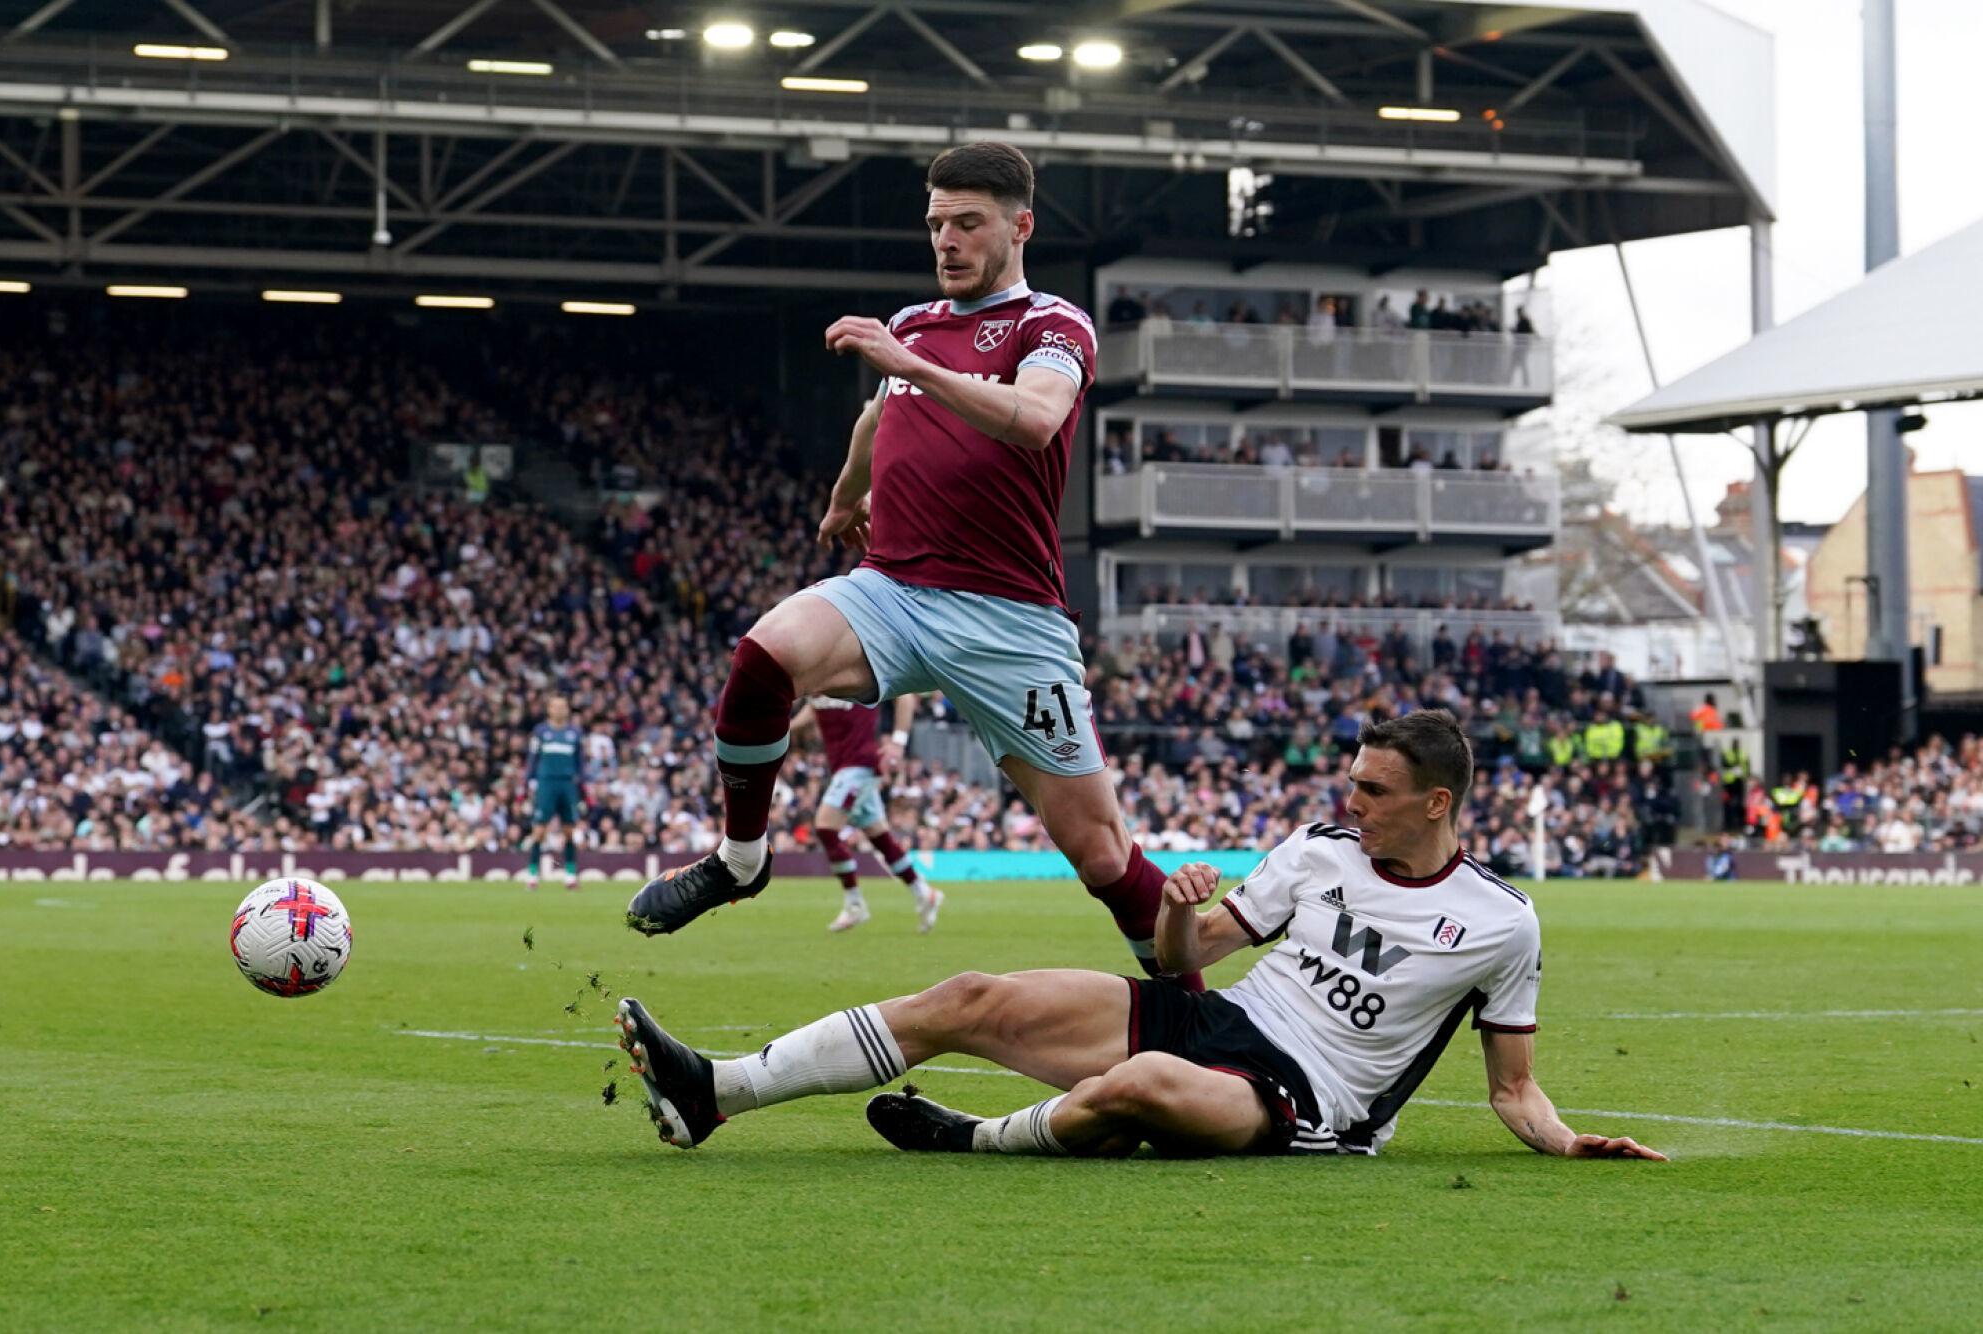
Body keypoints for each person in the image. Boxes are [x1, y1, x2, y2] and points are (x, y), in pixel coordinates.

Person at [625, 142, 1192, 987]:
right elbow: (877, 418)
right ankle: (742, 860)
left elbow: (1035, 420)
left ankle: (1198, 1023)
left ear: (1020, 226)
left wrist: (911, 364)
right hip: (895, 588)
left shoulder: (1052, 325)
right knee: (764, 654)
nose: (947, 241)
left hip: (1010, 620)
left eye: (968, 223)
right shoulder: (917, 324)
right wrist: (844, 496)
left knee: (1103, 856)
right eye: (936, 224)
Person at [614, 711, 1664, 1162]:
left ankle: (972, 1137)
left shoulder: (1500, 922)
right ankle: (718, 1089)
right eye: (1347, 781)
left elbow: (1510, 1087)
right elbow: (1181, 959)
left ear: (1438, 804)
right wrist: (1174, 905)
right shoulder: (1316, 848)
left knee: (1136, 1087)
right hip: (1222, 1016)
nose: (1350, 802)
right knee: (971, 993)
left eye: (1373, 791)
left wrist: (1566, 1139)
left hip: (1307, 1101)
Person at [789, 692, 944, 933]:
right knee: (880, 837)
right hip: (844, 768)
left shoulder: (857, 671)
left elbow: (905, 696)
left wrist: (898, 741)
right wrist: (783, 729)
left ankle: (854, 902)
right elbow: (814, 708)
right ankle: (924, 893)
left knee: (825, 827)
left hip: (860, 765)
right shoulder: (820, 678)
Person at [523, 693, 585, 891]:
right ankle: (532, 875)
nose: (559, 710)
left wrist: (583, 784)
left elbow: (580, 763)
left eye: (563, 706)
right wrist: (528, 781)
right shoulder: (541, 732)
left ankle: (570, 875)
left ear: (567, 709)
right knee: (539, 831)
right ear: (549, 709)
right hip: (546, 783)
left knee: (569, 831)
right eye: (555, 706)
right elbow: (532, 759)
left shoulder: (574, 734)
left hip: (567, 784)